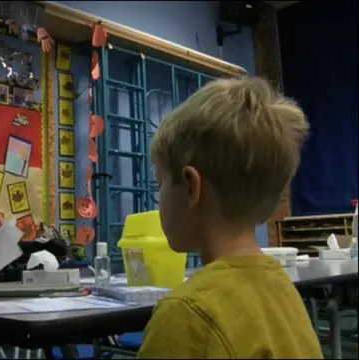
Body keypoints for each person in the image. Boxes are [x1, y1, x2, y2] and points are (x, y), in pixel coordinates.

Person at [137, 77, 323, 358]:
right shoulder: (284, 290)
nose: (158, 195)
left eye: (159, 183)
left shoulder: (186, 313)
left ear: (190, 186)